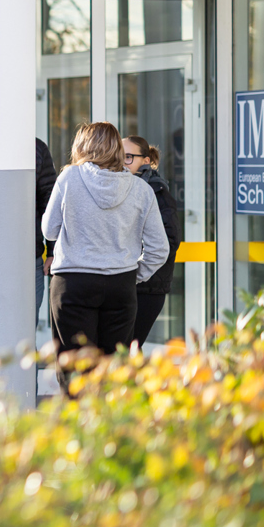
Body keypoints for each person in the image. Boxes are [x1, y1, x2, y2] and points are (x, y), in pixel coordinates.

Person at [41, 121, 169, 391]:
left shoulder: (69, 178)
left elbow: (49, 231)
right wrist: (134, 276)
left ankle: (79, 417)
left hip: (73, 284)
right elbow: (159, 249)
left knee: (74, 370)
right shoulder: (141, 189)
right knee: (113, 370)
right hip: (120, 285)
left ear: (82, 147)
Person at [123, 135, 181, 348]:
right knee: (123, 348)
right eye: (118, 156)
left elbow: (170, 239)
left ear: (146, 161)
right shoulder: (121, 189)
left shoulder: (157, 191)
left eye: (128, 157)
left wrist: (136, 271)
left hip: (148, 287)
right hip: (128, 283)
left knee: (128, 348)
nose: (122, 162)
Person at [35, 138, 58, 324]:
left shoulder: (35, 147)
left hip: (29, 258)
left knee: (25, 328)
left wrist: (52, 251)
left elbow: (49, 203)